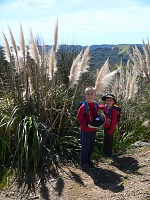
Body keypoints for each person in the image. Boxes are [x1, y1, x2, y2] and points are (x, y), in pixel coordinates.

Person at [77, 86, 102, 169]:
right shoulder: (83, 107)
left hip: (93, 129)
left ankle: (88, 160)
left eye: (91, 93)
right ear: (85, 95)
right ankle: (83, 163)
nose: (90, 95)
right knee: (85, 146)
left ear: (95, 95)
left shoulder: (96, 105)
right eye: (88, 94)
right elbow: (79, 117)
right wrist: (83, 125)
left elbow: (98, 113)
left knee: (91, 146)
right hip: (85, 130)